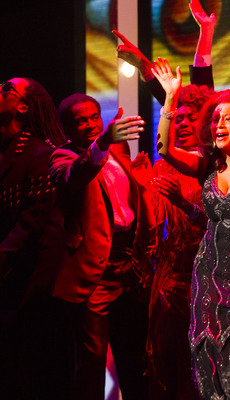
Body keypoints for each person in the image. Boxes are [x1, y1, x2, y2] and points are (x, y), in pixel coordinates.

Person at [152, 57, 230, 399]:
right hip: (207, 279)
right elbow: (164, 148)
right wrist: (170, 99)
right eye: (214, 119)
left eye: (227, 118)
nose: (218, 124)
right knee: (206, 366)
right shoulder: (210, 166)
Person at [50, 93, 155, 400]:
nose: (89, 125)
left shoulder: (118, 149)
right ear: (67, 129)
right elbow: (73, 177)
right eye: (80, 121)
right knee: (92, 363)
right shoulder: (62, 157)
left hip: (129, 270)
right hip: (95, 276)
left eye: (93, 117)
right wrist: (102, 144)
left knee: (136, 358)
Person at [0, 78, 69, 399]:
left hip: (25, 293)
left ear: (23, 107)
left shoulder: (40, 154)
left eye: (6, 89)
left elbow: (31, 228)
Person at [147, 83, 212, 400]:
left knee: (203, 362)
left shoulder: (214, 165)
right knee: (166, 358)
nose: (183, 124)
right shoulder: (163, 166)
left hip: (208, 273)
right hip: (171, 274)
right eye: (179, 117)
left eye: (191, 118)